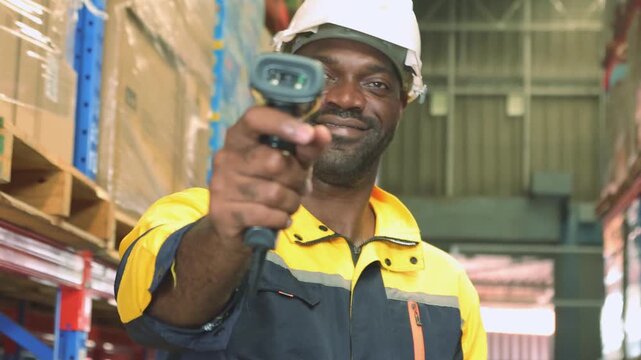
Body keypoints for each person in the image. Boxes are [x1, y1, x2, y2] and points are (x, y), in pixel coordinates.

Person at [114, 0, 487, 358]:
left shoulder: (448, 287)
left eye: (375, 84)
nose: (346, 98)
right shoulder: (194, 217)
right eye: (324, 76)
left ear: (401, 106)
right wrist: (229, 233)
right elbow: (158, 314)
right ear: (287, 82)